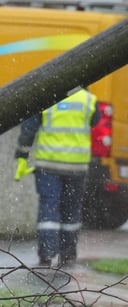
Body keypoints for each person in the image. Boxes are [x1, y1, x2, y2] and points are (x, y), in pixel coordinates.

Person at [14, 87, 99, 268]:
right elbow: (95, 122)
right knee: (71, 209)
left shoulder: (49, 95)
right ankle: (67, 255)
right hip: (77, 166)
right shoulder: (89, 100)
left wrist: (21, 154)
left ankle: (46, 254)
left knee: (49, 206)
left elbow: (29, 129)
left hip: (49, 165)